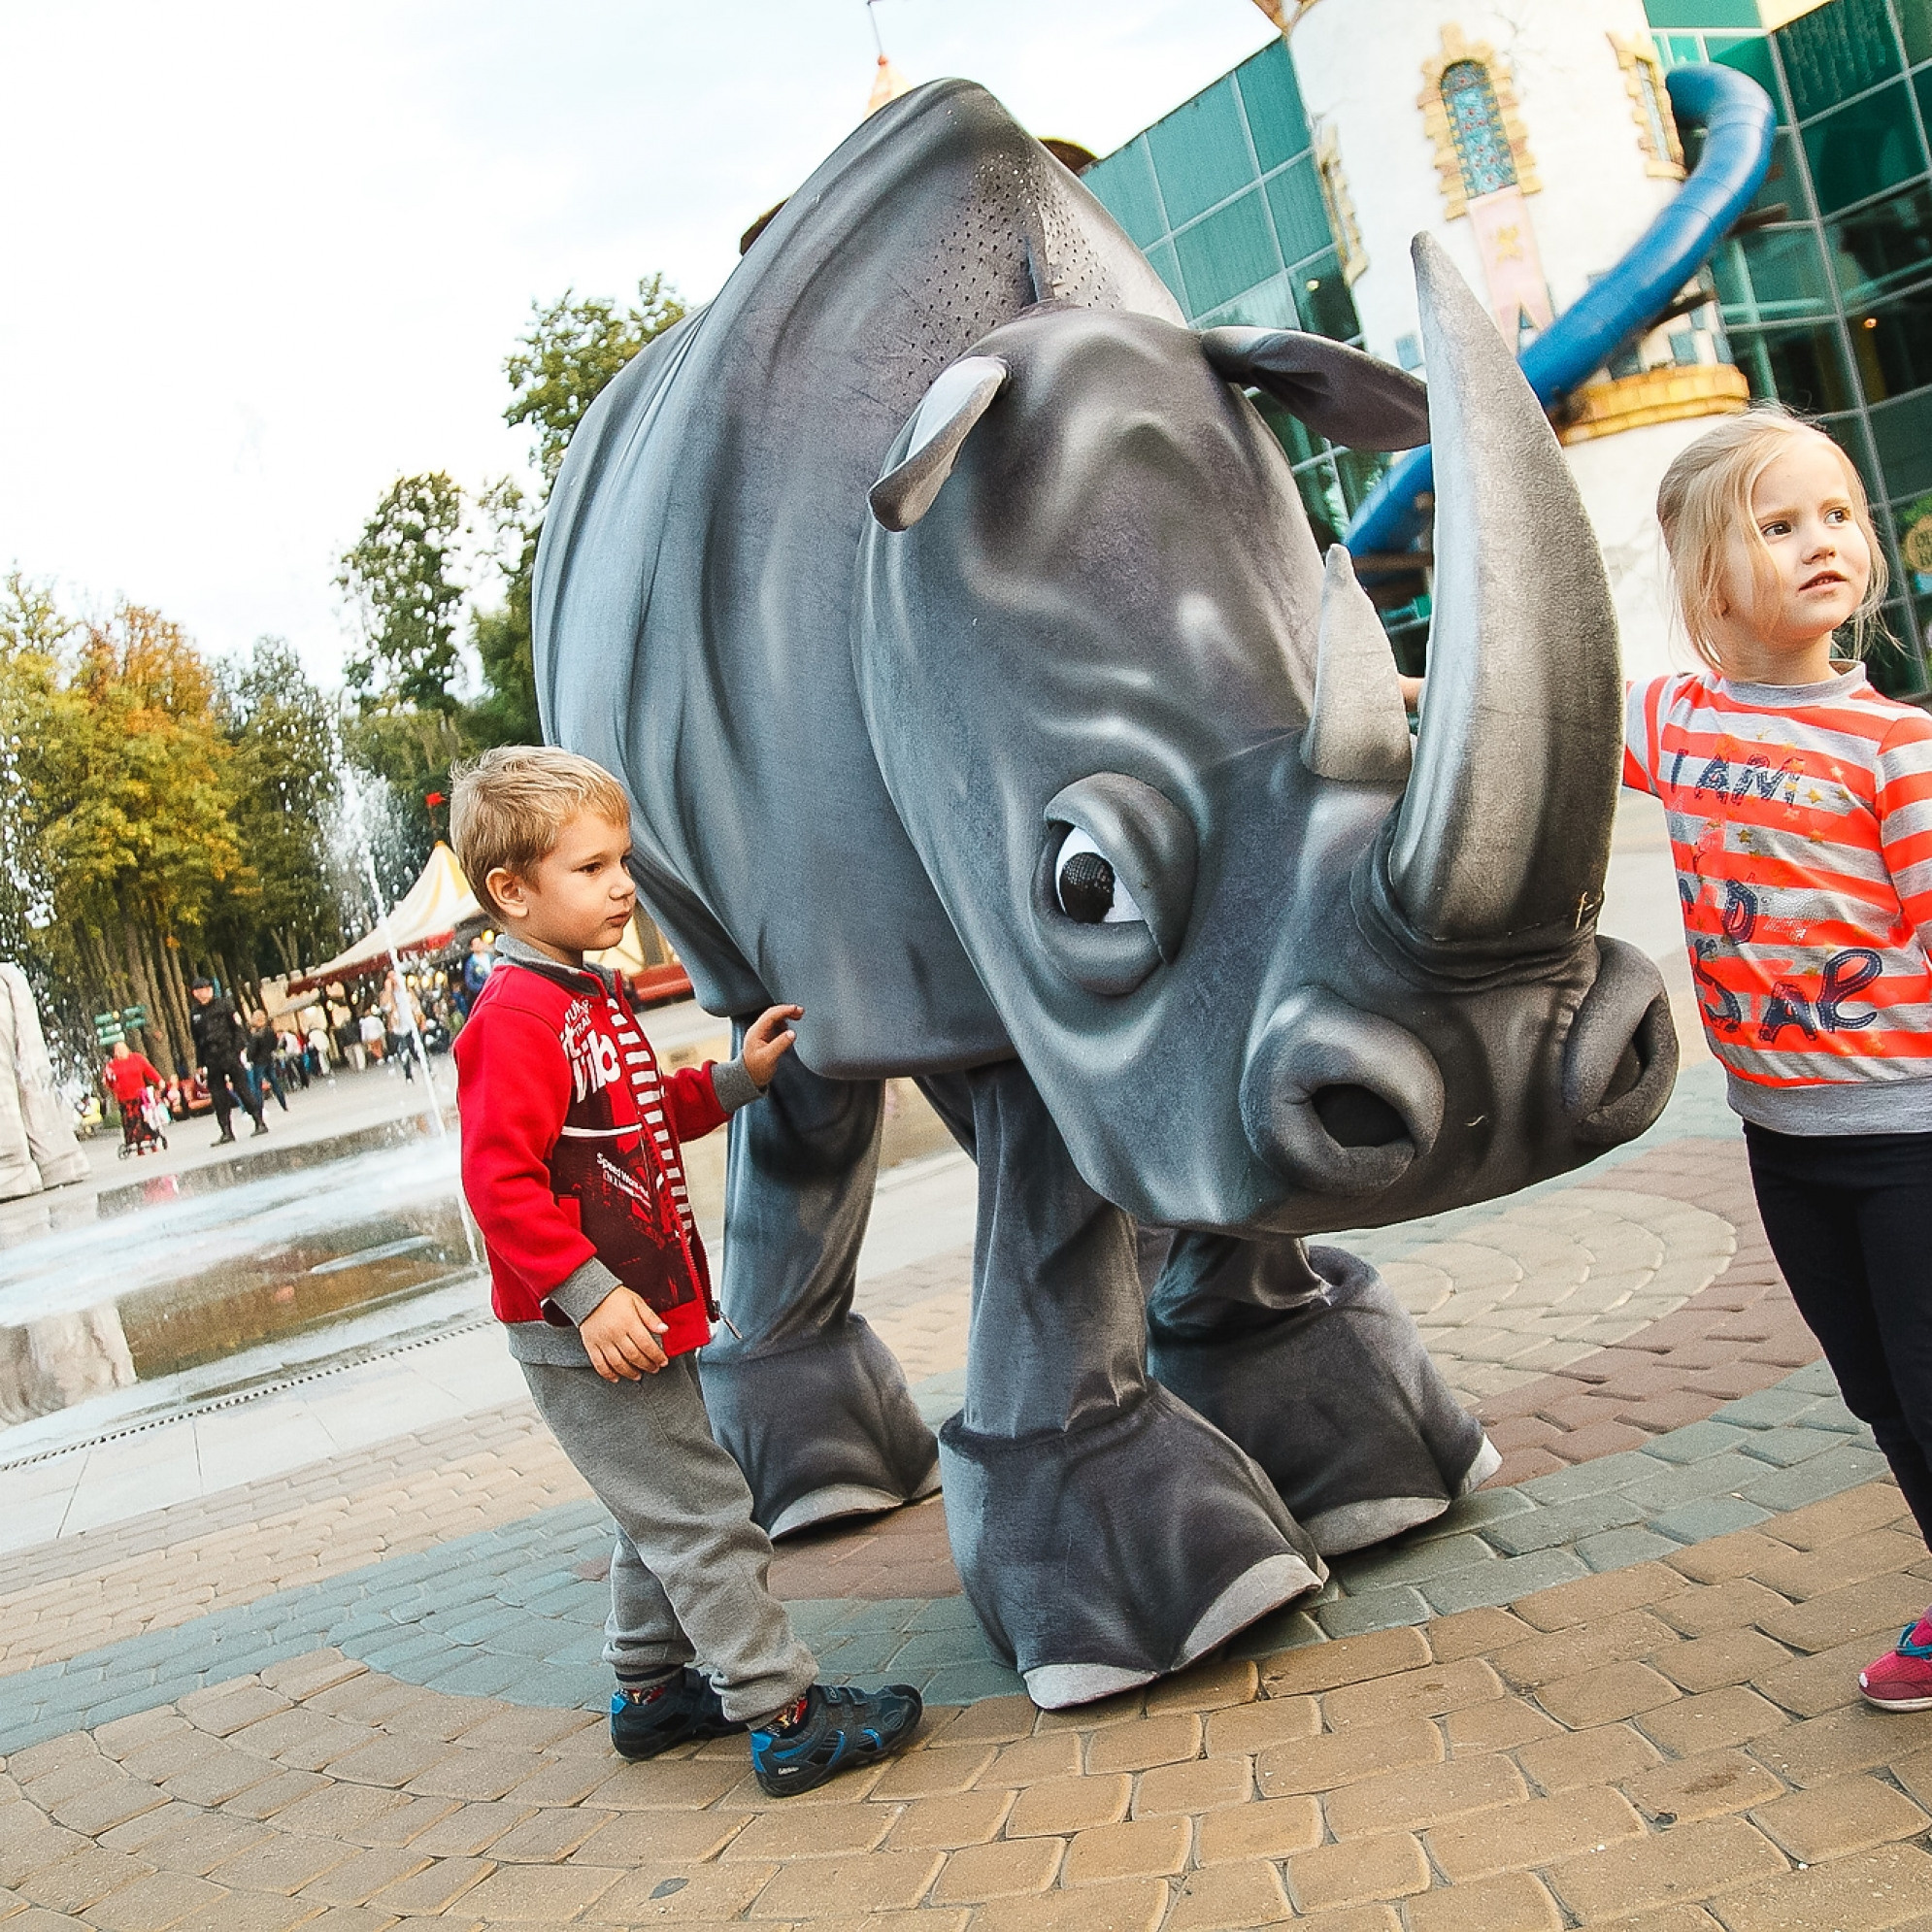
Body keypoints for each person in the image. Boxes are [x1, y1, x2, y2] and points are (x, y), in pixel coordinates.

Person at [1404, 404, 1932, 1712]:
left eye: (1837, 514)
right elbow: (1520, 706)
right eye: (1778, 522)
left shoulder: (1896, 751)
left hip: (1911, 1137)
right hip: (1785, 1140)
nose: (1823, 541)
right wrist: (1370, 683)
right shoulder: (1678, 725)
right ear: (1707, 574)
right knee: (1877, 1389)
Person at [449, 745, 921, 1793]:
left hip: (639, 1312)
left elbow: (635, 1114)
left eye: (621, 860)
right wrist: (589, 1292)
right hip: (592, 1326)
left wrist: (733, 1080)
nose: (622, 884)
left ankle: (652, 1692)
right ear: (512, 891)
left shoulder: (582, 992)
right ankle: (783, 1712)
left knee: (652, 1504)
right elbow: (500, 1185)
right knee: (706, 1510)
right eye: (591, 868)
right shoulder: (516, 1019)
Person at [188, 979, 266, 1145]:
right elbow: (197, 1040)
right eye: (201, 990)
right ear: (195, 993)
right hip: (211, 1057)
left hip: (228, 1053)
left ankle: (259, 1121)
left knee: (242, 1088)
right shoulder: (195, 1013)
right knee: (218, 1095)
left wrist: (237, 1050)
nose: (205, 992)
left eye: (207, 989)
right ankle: (226, 1131)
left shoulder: (224, 1005)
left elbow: (237, 1029)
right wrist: (200, 1063)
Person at [102, 1041, 163, 1150]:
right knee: (131, 1124)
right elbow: (107, 1081)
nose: (120, 1051)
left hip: (140, 1097)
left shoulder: (137, 1058)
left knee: (145, 1121)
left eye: (122, 1048)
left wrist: (159, 1080)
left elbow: (149, 1070)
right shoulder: (111, 1065)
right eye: (117, 1050)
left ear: (127, 1048)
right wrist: (116, 1090)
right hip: (125, 1100)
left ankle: (152, 1142)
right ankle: (138, 1146)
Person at [246, 1009, 290, 1113]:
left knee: (257, 1085)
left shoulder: (256, 1035)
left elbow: (251, 1050)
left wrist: (249, 1058)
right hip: (269, 1059)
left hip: (258, 1061)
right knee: (274, 1082)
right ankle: (283, 1104)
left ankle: (259, 1109)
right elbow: (274, 1045)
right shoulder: (270, 1031)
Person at [458, 932, 495, 1015]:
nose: (478, 945)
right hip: (483, 994)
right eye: (476, 944)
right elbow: (470, 982)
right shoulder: (470, 963)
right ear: (471, 948)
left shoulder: (490, 956)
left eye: (479, 942)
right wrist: (483, 988)